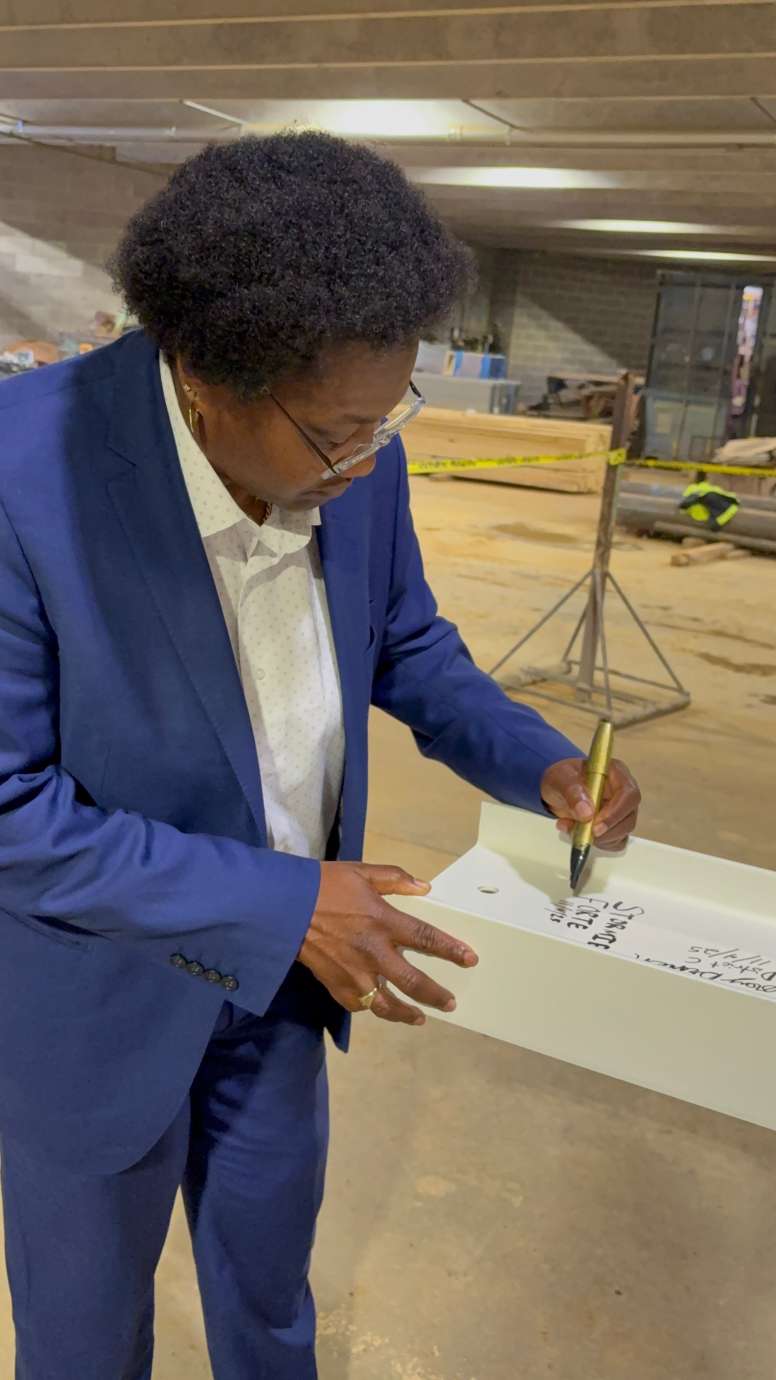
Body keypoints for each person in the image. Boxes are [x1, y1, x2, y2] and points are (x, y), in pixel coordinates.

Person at [0, 132, 641, 1380]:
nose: (368, 457)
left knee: (270, 1297)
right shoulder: (24, 479)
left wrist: (536, 758)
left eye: (385, 416)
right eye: (338, 431)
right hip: (100, 994)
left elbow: (406, 642)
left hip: (287, 989)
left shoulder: (358, 451)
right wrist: (283, 902)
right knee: (83, 1339)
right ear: (205, 381)